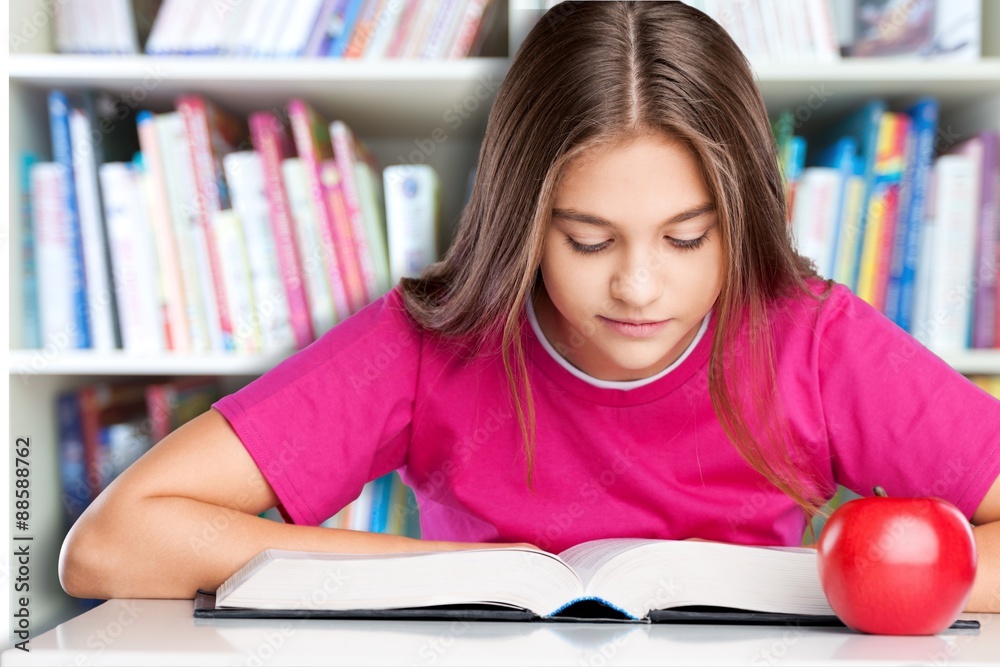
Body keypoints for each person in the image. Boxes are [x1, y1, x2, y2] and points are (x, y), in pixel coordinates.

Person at [60, 1, 1000, 611]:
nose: (638, 286)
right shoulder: (433, 344)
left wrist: (855, 587)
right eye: (587, 239)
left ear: (745, 218)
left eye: (687, 238)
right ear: (522, 222)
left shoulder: (812, 340)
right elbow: (109, 544)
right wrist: (454, 576)